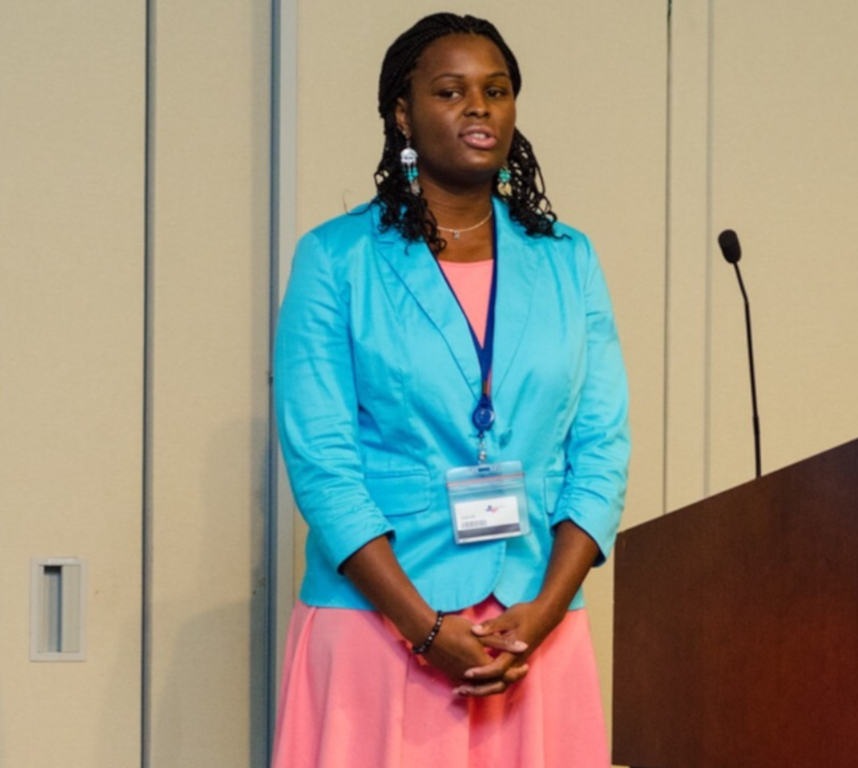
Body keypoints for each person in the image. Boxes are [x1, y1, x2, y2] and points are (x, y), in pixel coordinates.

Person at [270, 12, 630, 768]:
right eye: (450, 90)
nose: (478, 107)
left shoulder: (569, 261)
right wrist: (425, 631)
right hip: (380, 628)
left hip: (533, 631)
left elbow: (601, 448)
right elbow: (323, 466)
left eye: (496, 91)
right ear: (402, 113)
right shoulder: (337, 261)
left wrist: (545, 613)